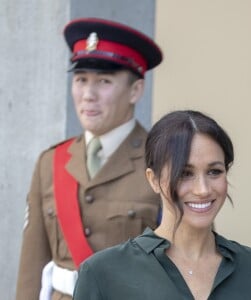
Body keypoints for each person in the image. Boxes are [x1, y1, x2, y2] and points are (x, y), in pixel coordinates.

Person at [15, 18, 163, 300]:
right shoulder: (51, 162)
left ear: (136, 91)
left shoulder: (162, 160)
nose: (88, 95)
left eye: (104, 82)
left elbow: (189, 258)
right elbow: (32, 265)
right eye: (81, 80)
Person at [73, 110, 251, 300]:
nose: (203, 189)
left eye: (214, 171)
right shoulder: (103, 273)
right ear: (153, 180)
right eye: (184, 174)